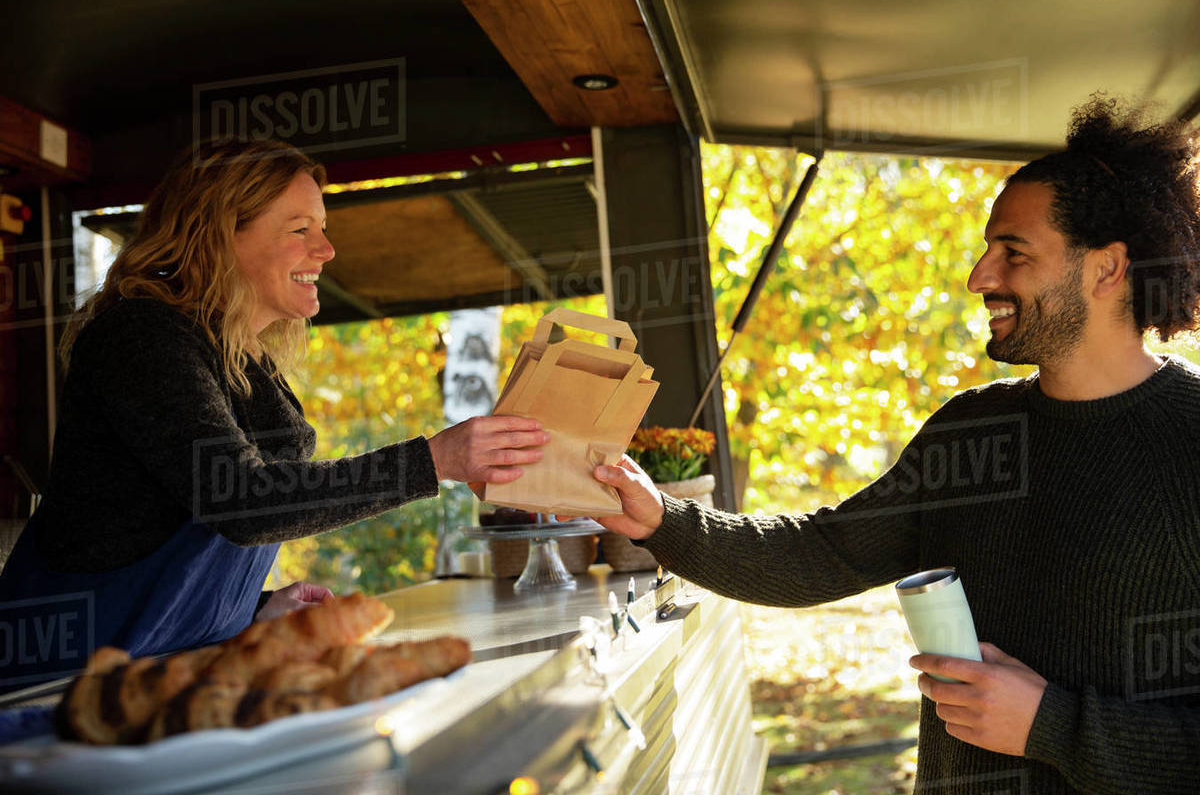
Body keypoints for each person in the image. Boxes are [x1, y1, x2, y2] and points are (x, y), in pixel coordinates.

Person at [594, 95, 1200, 794]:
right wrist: (661, 519)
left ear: (1106, 269)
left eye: (1014, 252)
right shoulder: (971, 432)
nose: (981, 276)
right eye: (985, 248)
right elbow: (820, 554)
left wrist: (1051, 724)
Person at [0, 140, 547, 683]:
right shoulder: (142, 336)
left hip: (156, 667)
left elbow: (184, 524)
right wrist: (433, 460)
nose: (327, 249)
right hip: (60, 674)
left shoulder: (237, 353)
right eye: (300, 229)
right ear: (219, 234)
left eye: (323, 228)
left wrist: (250, 610)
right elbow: (239, 498)